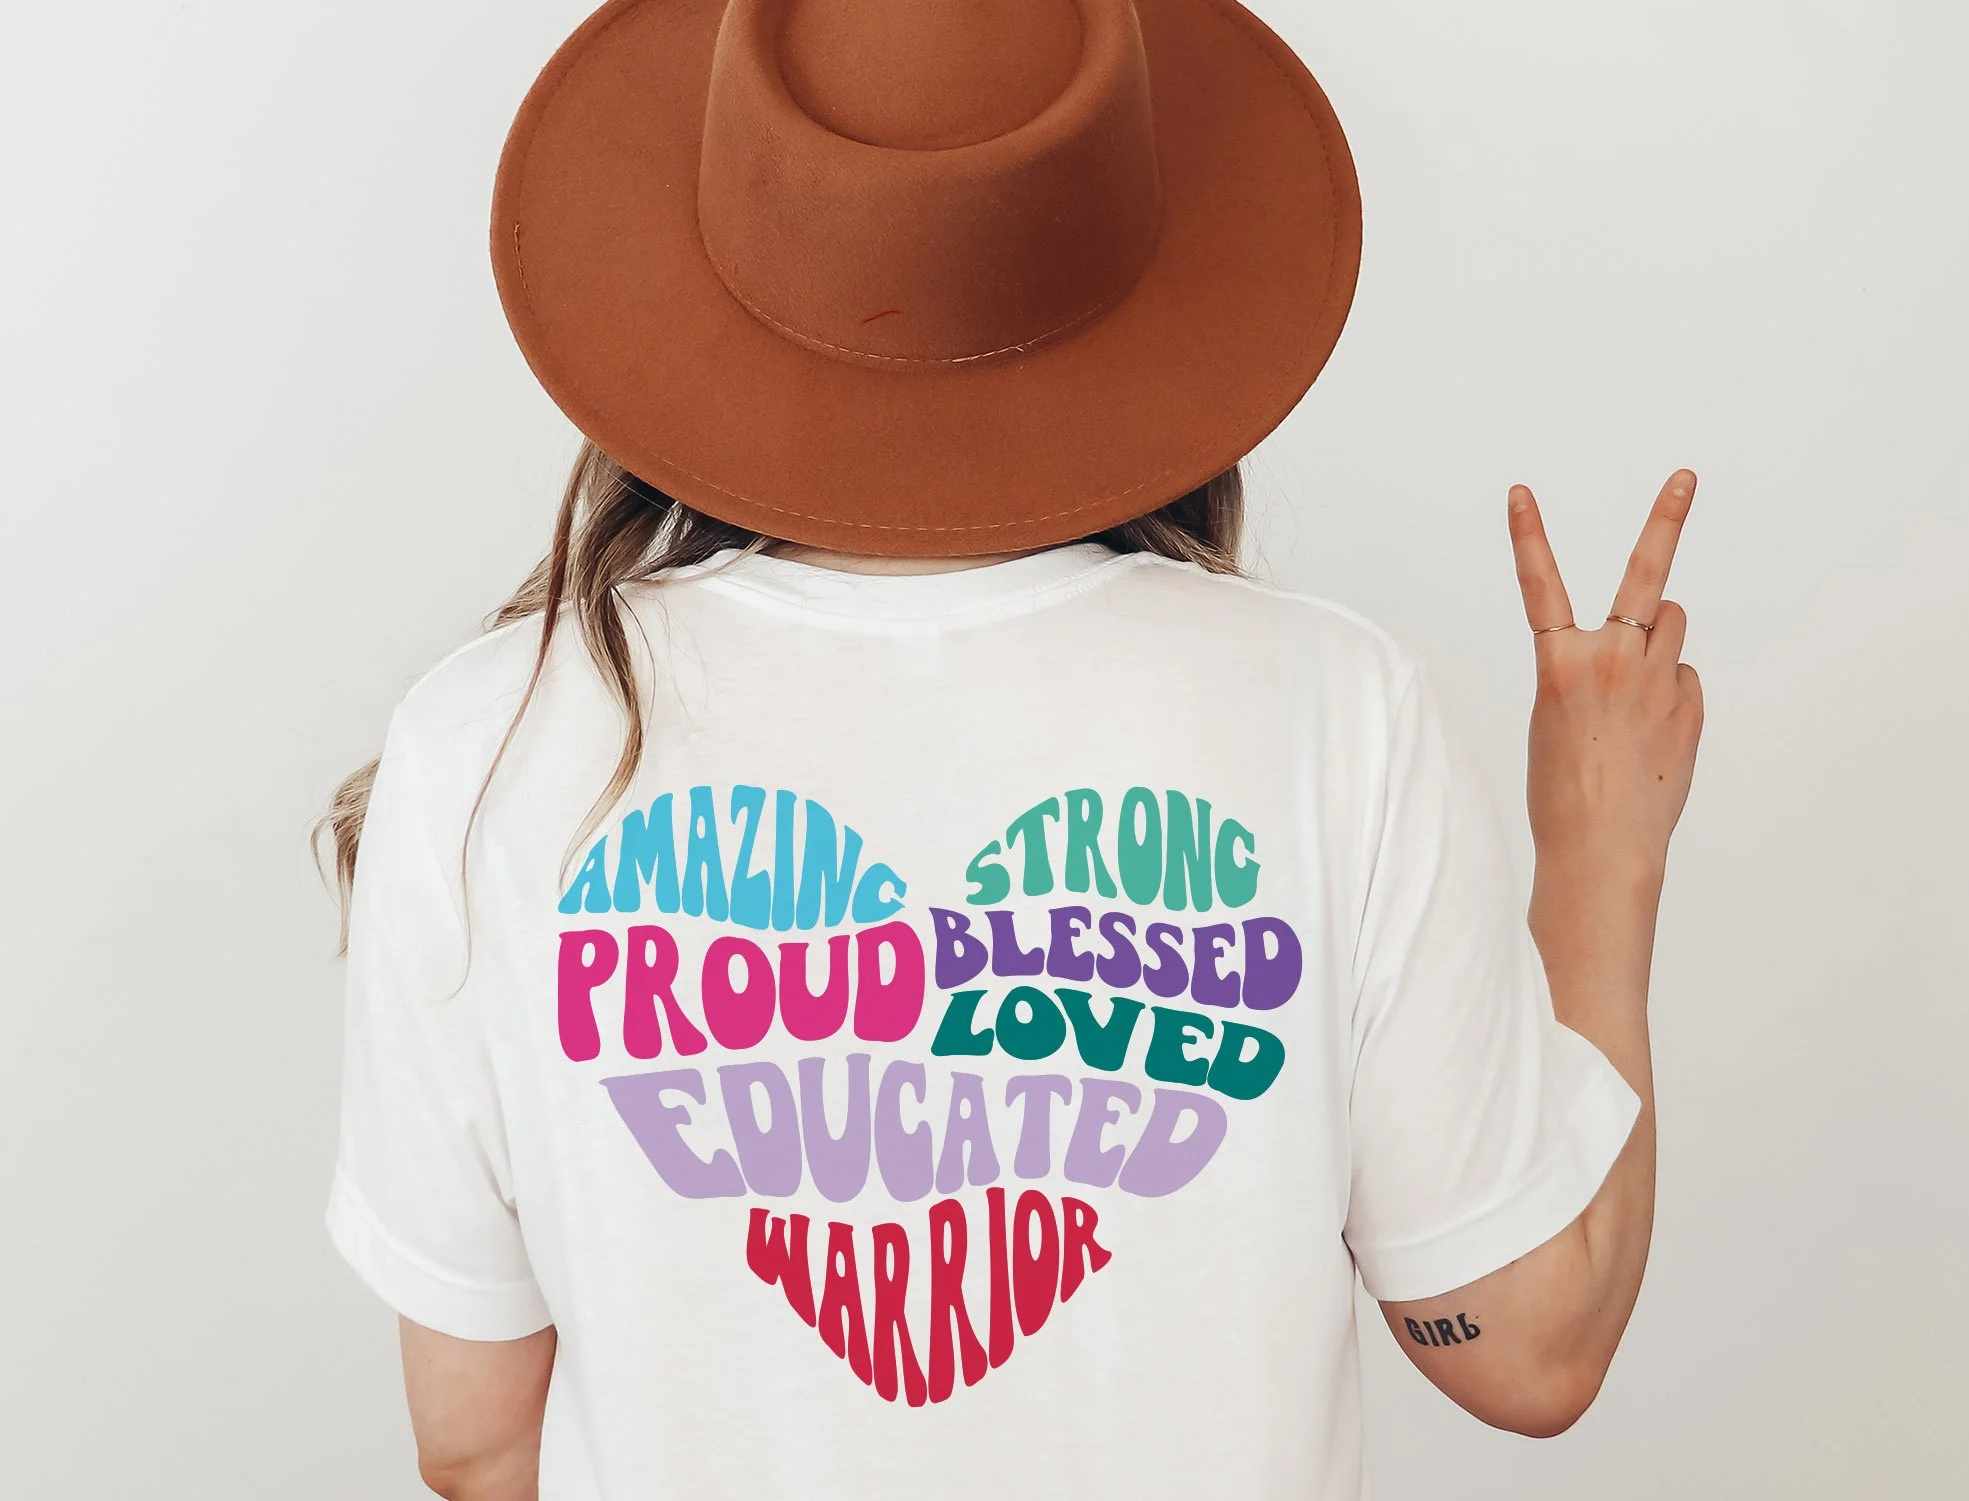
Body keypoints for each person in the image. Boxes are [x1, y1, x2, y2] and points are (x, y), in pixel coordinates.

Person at [318, 1, 1703, 1497]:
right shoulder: (1335, 713)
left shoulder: (487, 744)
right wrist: (1603, 847)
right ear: (1145, 285)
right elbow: (1530, 1345)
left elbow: (474, 1441)